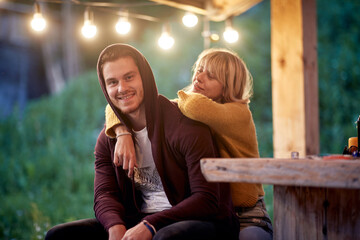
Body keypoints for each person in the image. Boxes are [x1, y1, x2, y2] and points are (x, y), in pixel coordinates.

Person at [45, 44, 239, 240]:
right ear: (105, 87)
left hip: (201, 222)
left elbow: (206, 199)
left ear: (144, 77)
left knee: (165, 237)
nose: (122, 88)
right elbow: (105, 194)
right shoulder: (109, 138)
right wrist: (115, 227)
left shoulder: (185, 126)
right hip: (137, 220)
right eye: (112, 82)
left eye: (129, 77)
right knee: (59, 235)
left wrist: (151, 225)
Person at [105, 48, 273, 240]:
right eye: (199, 69)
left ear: (227, 87)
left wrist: (169, 103)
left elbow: (192, 106)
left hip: (247, 213)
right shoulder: (191, 107)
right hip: (215, 211)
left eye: (210, 76)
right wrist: (122, 132)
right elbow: (115, 106)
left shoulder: (238, 113)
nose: (198, 78)